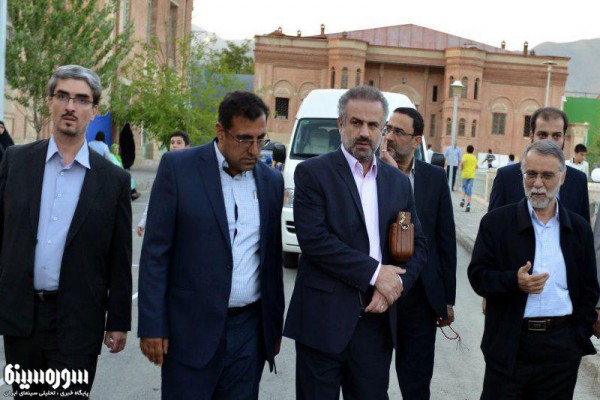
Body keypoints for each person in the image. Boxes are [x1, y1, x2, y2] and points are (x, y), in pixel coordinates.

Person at [284, 86, 428, 400]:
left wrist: (393, 287)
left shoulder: (397, 182)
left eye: (373, 125)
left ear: (382, 130)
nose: (364, 132)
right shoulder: (312, 174)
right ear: (341, 124)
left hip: (376, 321)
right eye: (356, 123)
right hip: (323, 320)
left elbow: (419, 245)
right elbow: (315, 240)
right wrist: (377, 274)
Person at [138, 92, 284, 400]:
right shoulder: (178, 169)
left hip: (248, 333)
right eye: (244, 139)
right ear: (220, 131)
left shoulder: (271, 182)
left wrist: (273, 326)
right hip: (189, 330)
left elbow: (271, 260)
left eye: (261, 139)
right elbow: (155, 253)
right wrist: (152, 324)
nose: (254, 150)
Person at [0, 65, 132, 398]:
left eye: (81, 99)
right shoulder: (16, 162)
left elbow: (119, 257)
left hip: (78, 321)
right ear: (50, 102)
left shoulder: (113, 180)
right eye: (63, 96)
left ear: (94, 110)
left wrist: (118, 322)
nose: (71, 106)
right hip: (22, 318)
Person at [468, 140, 599, 399]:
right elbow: (477, 275)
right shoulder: (496, 223)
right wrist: (513, 281)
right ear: (522, 175)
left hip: (561, 350)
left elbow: (589, 288)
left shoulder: (579, 229)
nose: (537, 184)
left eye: (547, 176)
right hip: (510, 346)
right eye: (531, 174)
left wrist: (576, 337)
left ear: (562, 178)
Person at [380, 107, 456, 400]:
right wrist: (389, 174)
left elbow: (445, 239)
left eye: (399, 132)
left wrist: (447, 300)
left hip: (420, 296)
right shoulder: (370, 172)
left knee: (416, 383)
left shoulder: (434, 178)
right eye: (388, 129)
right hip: (378, 291)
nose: (389, 137)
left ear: (416, 140)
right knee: (371, 381)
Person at [489, 107, 590, 222]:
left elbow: (583, 229)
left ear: (564, 138)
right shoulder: (506, 177)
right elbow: (492, 225)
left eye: (556, 136)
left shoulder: (578, 180)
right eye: (542, 135)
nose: (549, 141)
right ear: (532, 136)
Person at [136, 130, 190, 237]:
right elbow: (155, 196)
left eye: (179, 143)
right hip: (167, 224)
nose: (174, 145)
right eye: (172, 142)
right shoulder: (165, 169)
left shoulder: (192, 169)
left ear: (187, 147)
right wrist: (143, 221)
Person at [459, 145, 478, 212]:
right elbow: (476, 166)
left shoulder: (465, 156)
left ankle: (462, 200)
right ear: (472, 150)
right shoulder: (474, 157)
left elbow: (462, 163)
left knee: (464, 187)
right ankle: (468, 205)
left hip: (465, 174)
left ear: (467, 150)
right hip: (471, 175)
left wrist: (462, 168)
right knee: (469, 189)